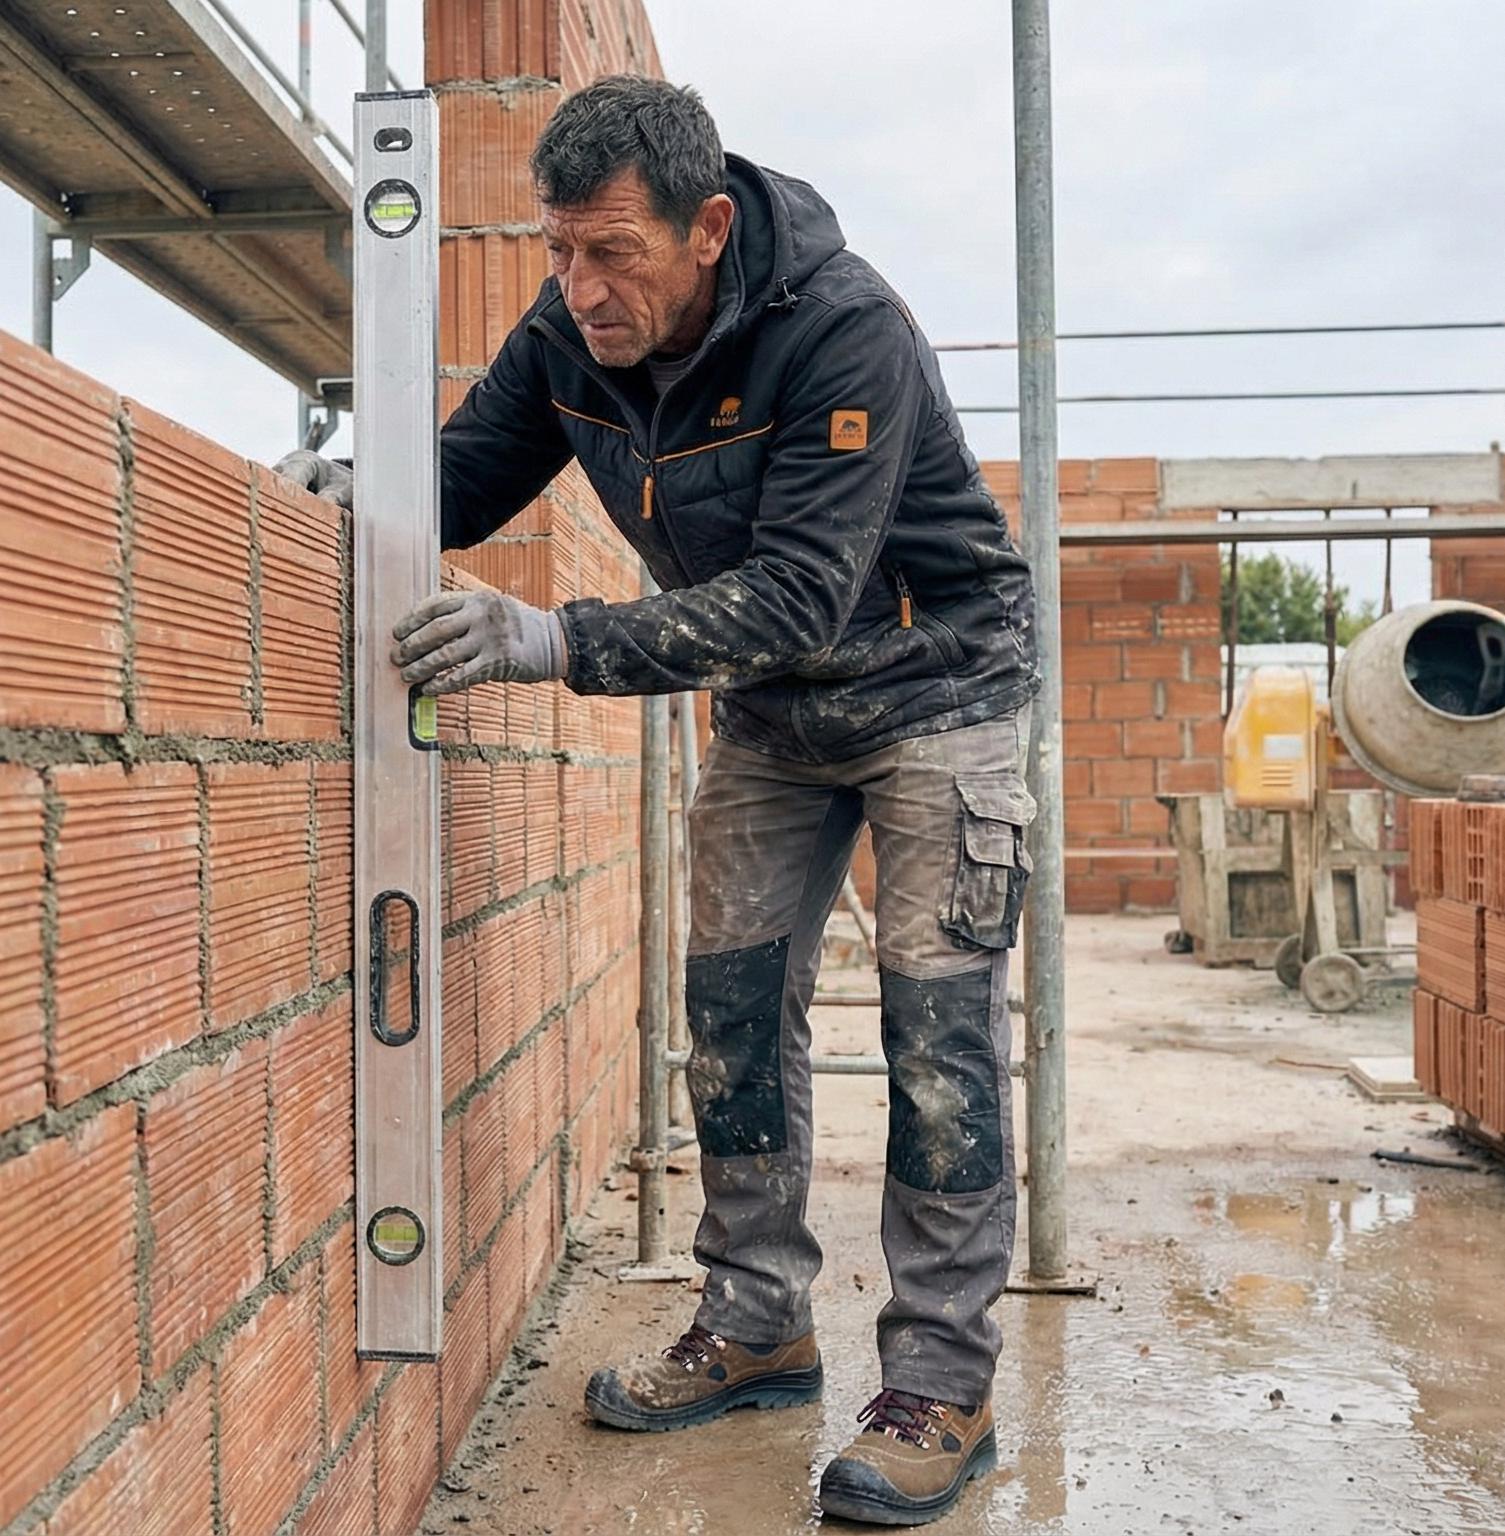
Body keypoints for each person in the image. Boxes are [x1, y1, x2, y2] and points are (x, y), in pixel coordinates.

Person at [276, 74, 1037, 1528]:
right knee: (733, 1011)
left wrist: (554, 640)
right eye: (560, 249)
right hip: (773, 713)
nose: (580, 288)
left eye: (613, 253)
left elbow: (803, 594)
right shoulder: (574, 332)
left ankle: (943, 1385)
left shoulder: (843, 329)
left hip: (936, 687)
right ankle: (757, 1323)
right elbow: (464, 478)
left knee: (936, 1034)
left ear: (710, 228)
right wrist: (350, 492)